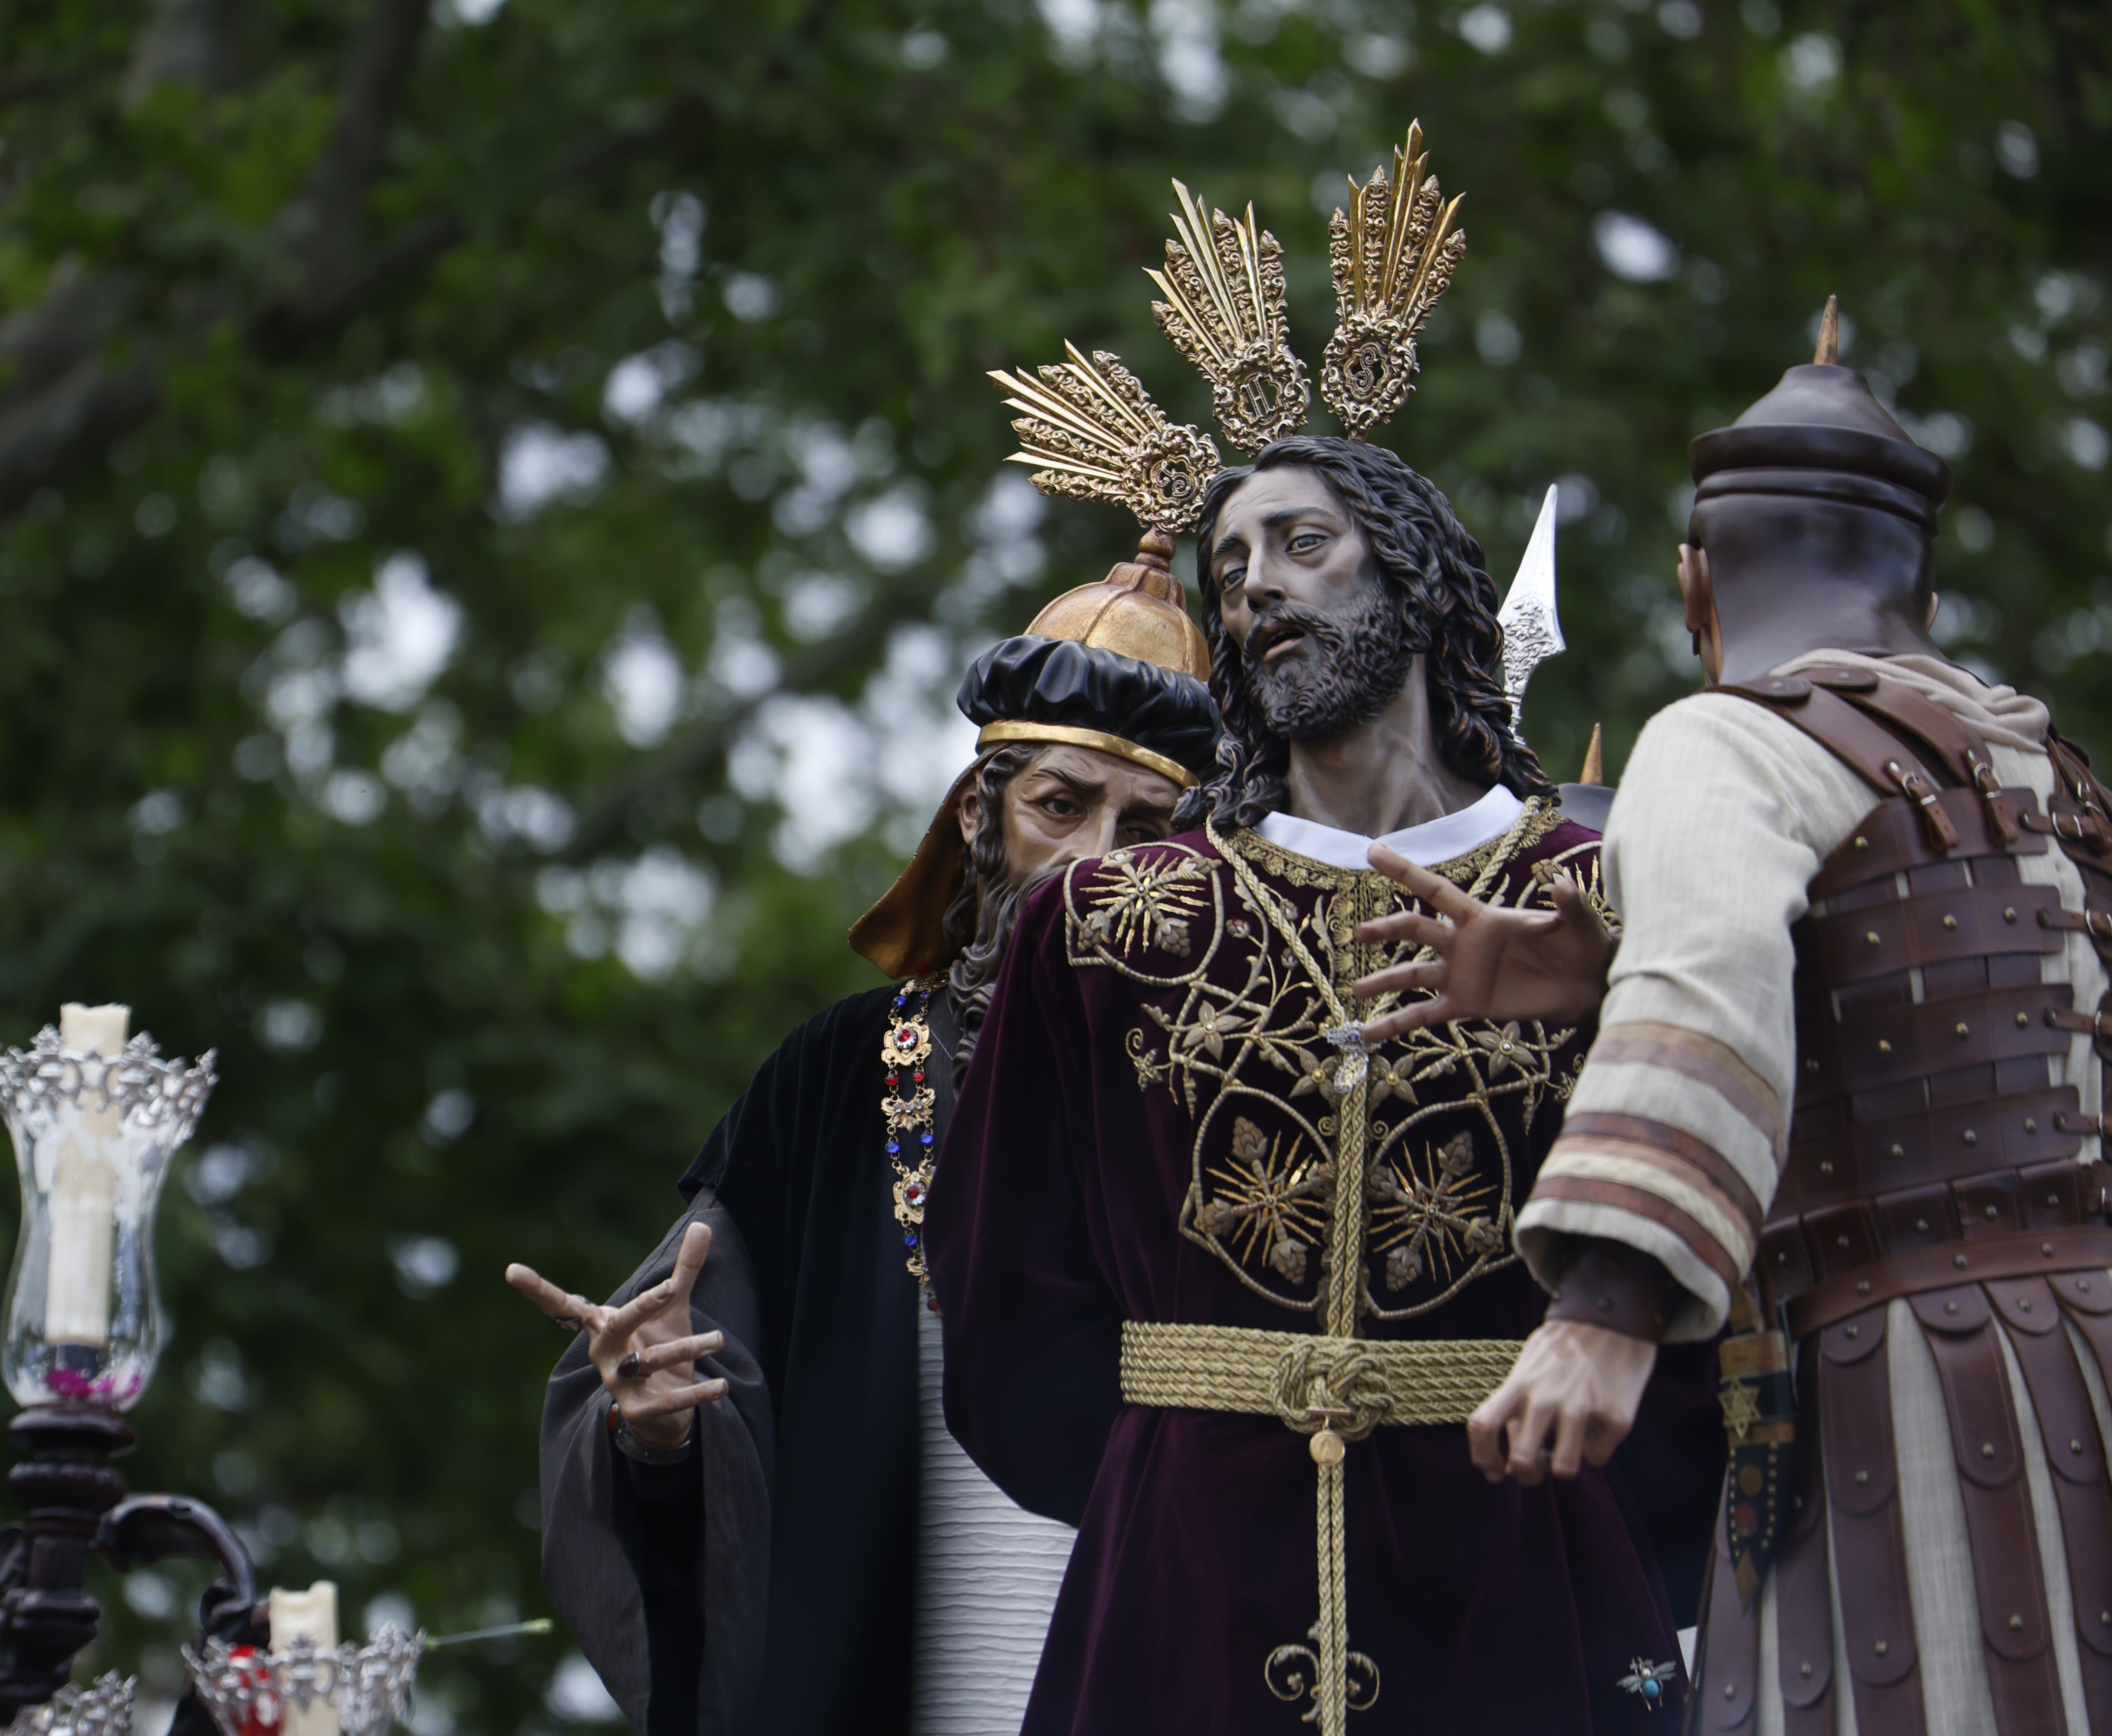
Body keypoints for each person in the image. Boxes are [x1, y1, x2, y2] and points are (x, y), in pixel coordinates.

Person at [926, 136, 1716, 1736]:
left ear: (1416, 582)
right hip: (1186, 1585)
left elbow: (1716, 1217)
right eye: (1231, 571)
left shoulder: (1601, 890)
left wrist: (1608, 1528)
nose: (1260, 591)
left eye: (1304, 546)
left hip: (1528, 1560)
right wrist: (1176, 1481)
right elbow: (1007, 1288)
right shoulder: (1103, 922)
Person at [1438, 307, 2112, 1736]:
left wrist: (1605, 1305)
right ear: (1919, 590)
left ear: (1698, 580)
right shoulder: (2052, 766)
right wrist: (1596, 962)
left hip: (1918, 1385)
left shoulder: (1728, 736)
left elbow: (1712, 976)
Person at [503, 540, 1223, 1736]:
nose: (1098, 863)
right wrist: (662, 1426)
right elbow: (678, 1353)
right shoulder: (838, 1080)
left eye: (1147, 823)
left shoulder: (1254, 1099)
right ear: (982, 817)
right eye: (1061, 804)